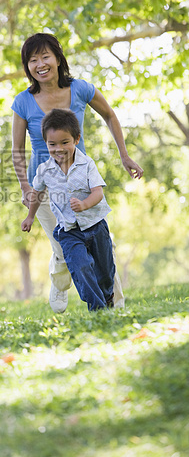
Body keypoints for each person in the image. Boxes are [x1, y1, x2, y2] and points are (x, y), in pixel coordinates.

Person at [12, 33, 143, 313]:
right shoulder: (23, 102)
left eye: (45, 56)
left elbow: (109, 114)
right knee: (62, 246)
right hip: (45, 186)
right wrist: (25, 187)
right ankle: (59, 285)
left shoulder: (81, 89)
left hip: (81, 182)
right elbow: (17, 149)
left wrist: (124, 155)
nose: (40, 64)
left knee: (101, 244)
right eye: (32, 60)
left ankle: (115, 304)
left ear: (58, 59)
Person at [22, 109, 115, 311]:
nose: (59, 149)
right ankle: (98, 310)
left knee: (105, 272)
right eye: (52, 144)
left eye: (65, 142)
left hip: (95, 225)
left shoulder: (87, 164)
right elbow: (37, 194)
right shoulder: (44, 170)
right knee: (80, 267)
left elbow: (98, 193)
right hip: (69, 230)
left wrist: (84, 205)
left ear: (76, 139)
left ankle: (108, 296)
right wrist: (30, 217)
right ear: (45, 143)